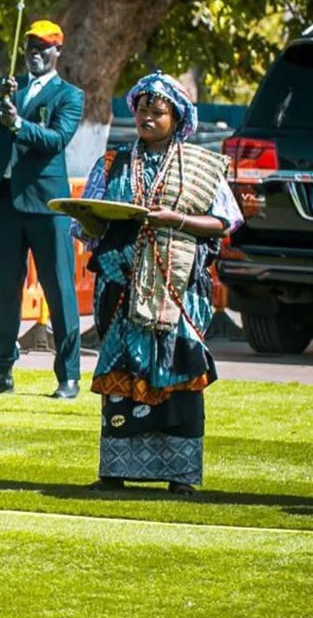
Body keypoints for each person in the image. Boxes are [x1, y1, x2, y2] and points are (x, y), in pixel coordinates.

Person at [71, 71, 241, 495]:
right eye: (143, 107)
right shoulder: (113, 163)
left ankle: (180, 476)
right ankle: (114, 471)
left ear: (177, 117)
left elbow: (225, 221)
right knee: (121, 371)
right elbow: (90, 225)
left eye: (157, 109)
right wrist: (89, 217)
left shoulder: (201, 166)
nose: (147, 115)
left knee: (178, 370)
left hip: (177, 288)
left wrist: (176, 220)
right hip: (123, 286)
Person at [0, 19, 85, 397]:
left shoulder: (69, 95)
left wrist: (18, 124)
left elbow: (56, 140)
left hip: (45, 202)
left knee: (58, 288)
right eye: (31, 46)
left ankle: (68, 376)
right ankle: (0, 371)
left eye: (44, 47)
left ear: (58, 52)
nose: (36, 53)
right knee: (4, 288)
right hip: (4, 199)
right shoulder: (10, 84)